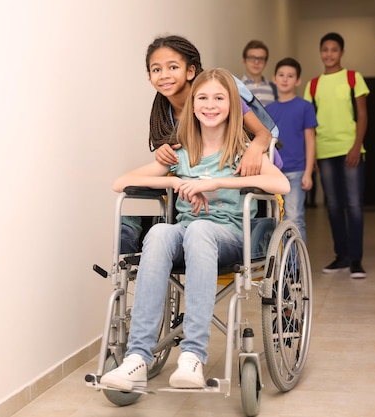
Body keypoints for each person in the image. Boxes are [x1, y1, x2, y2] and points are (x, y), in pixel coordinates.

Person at [101, 68, 290, 391]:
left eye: (219, 98)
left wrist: (220, 182)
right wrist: (175, 180)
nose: (210, 104)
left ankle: (192, 356)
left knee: (200, 229)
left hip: (229, 237)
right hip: (185, 235)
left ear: (232, 104)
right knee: (160, 233)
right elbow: (121, 182)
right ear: (192, 106)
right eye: (202, 98)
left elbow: (280, 183)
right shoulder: (180, 153)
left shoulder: (243, 151)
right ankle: (137, 358)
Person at [121, 35, 273, 254]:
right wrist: (164, 150)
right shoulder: (164, 115)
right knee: (161, 225)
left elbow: (263, 134)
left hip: (246, 162)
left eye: (172, 67)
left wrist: (255, 151)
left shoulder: (216, 94)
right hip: (197, 180)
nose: (164, 75)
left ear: (190, 71)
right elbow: (175, 157)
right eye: (157, 70)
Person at [303, 32, 370, 279]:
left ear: (341, 52)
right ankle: (341, 256)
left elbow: (362, 115)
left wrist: (356, 146)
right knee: (333, 206)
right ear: (320, 52)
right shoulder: (313, 85)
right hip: (324, 151)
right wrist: (313, 155)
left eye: (334, 49)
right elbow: (308, 124)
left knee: (353, 205)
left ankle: (356, 260)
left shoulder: (354, 78)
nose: (329, 54)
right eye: (325, 50)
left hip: (350, 149)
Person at [266, 58, 317, 244]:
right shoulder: (268, 110)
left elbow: (310, 141)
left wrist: (308, 173)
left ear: (298, 81)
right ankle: (282, 267)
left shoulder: (305, 107)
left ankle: (296, 270)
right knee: (274, 220)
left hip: (296, 171)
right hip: (273, 173)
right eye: (281, 75)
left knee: (294, 218)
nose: (285, 79)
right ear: (274, 78)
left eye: (290, 76)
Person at [241, 40, 276, 106]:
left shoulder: (274, 88)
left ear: (265, 63)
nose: (256, 62)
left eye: (261, 58)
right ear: (244, 61)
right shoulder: (237, 88)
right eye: (252, 58)